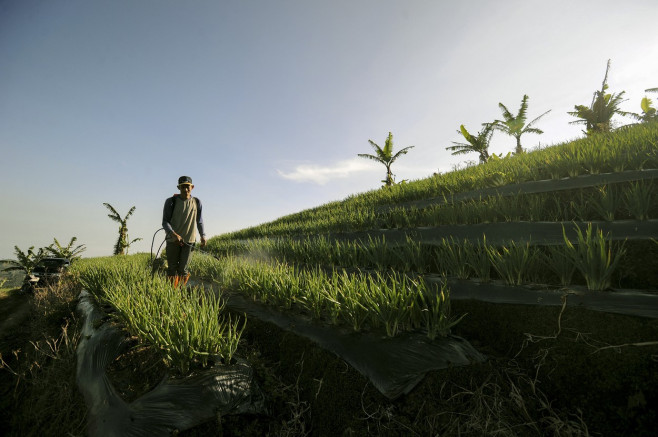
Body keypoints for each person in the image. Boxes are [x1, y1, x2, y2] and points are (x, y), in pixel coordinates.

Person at [162, 176, 207, 287]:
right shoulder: (170, 201)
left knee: (184, 269)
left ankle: (180, 291)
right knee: (172, 268)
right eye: (183, 187)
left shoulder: (197, 202)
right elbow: (165, 222)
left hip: (189, 241)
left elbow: (199, 221)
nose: (185, 190)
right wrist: (173, 234)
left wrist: (203, 235)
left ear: (192, 187)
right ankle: (171, 292)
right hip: (173, 240)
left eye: (188, 187)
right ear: (179, 188)